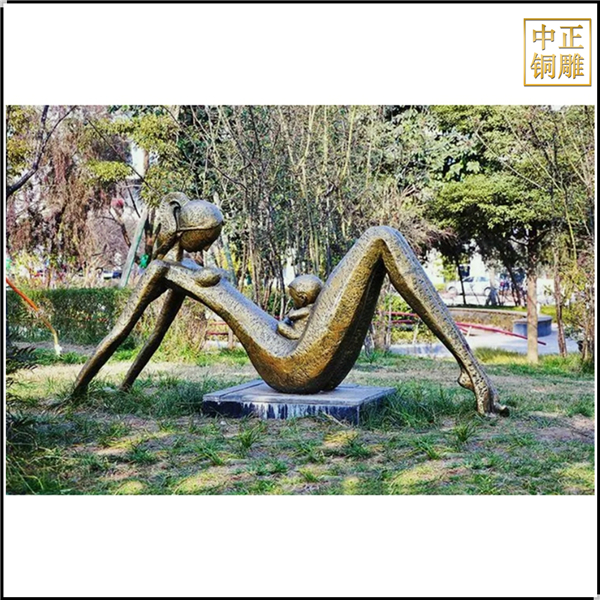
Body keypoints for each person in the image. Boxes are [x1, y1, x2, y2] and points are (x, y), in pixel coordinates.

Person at [72, 193, 506, 416]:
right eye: (208, 232)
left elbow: (152, 336)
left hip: (301, 353)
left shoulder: (185, 269)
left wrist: (124, 386)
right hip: (288, 364)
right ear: (189, 232)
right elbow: (128, 331)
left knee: (383, 242)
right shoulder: (163, 271)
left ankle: (473, 372)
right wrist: (79, 390)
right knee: (381, 238)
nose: (212, 238)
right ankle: (474, 374)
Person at [277, 275, 323, 340]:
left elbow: (291, 316)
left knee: (280, 326)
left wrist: (293, 310)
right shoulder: (312, 308)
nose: (293, 302)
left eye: (293, 299)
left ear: (302, 298)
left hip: (297, 333)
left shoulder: (306, 310)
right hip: (295, 328)